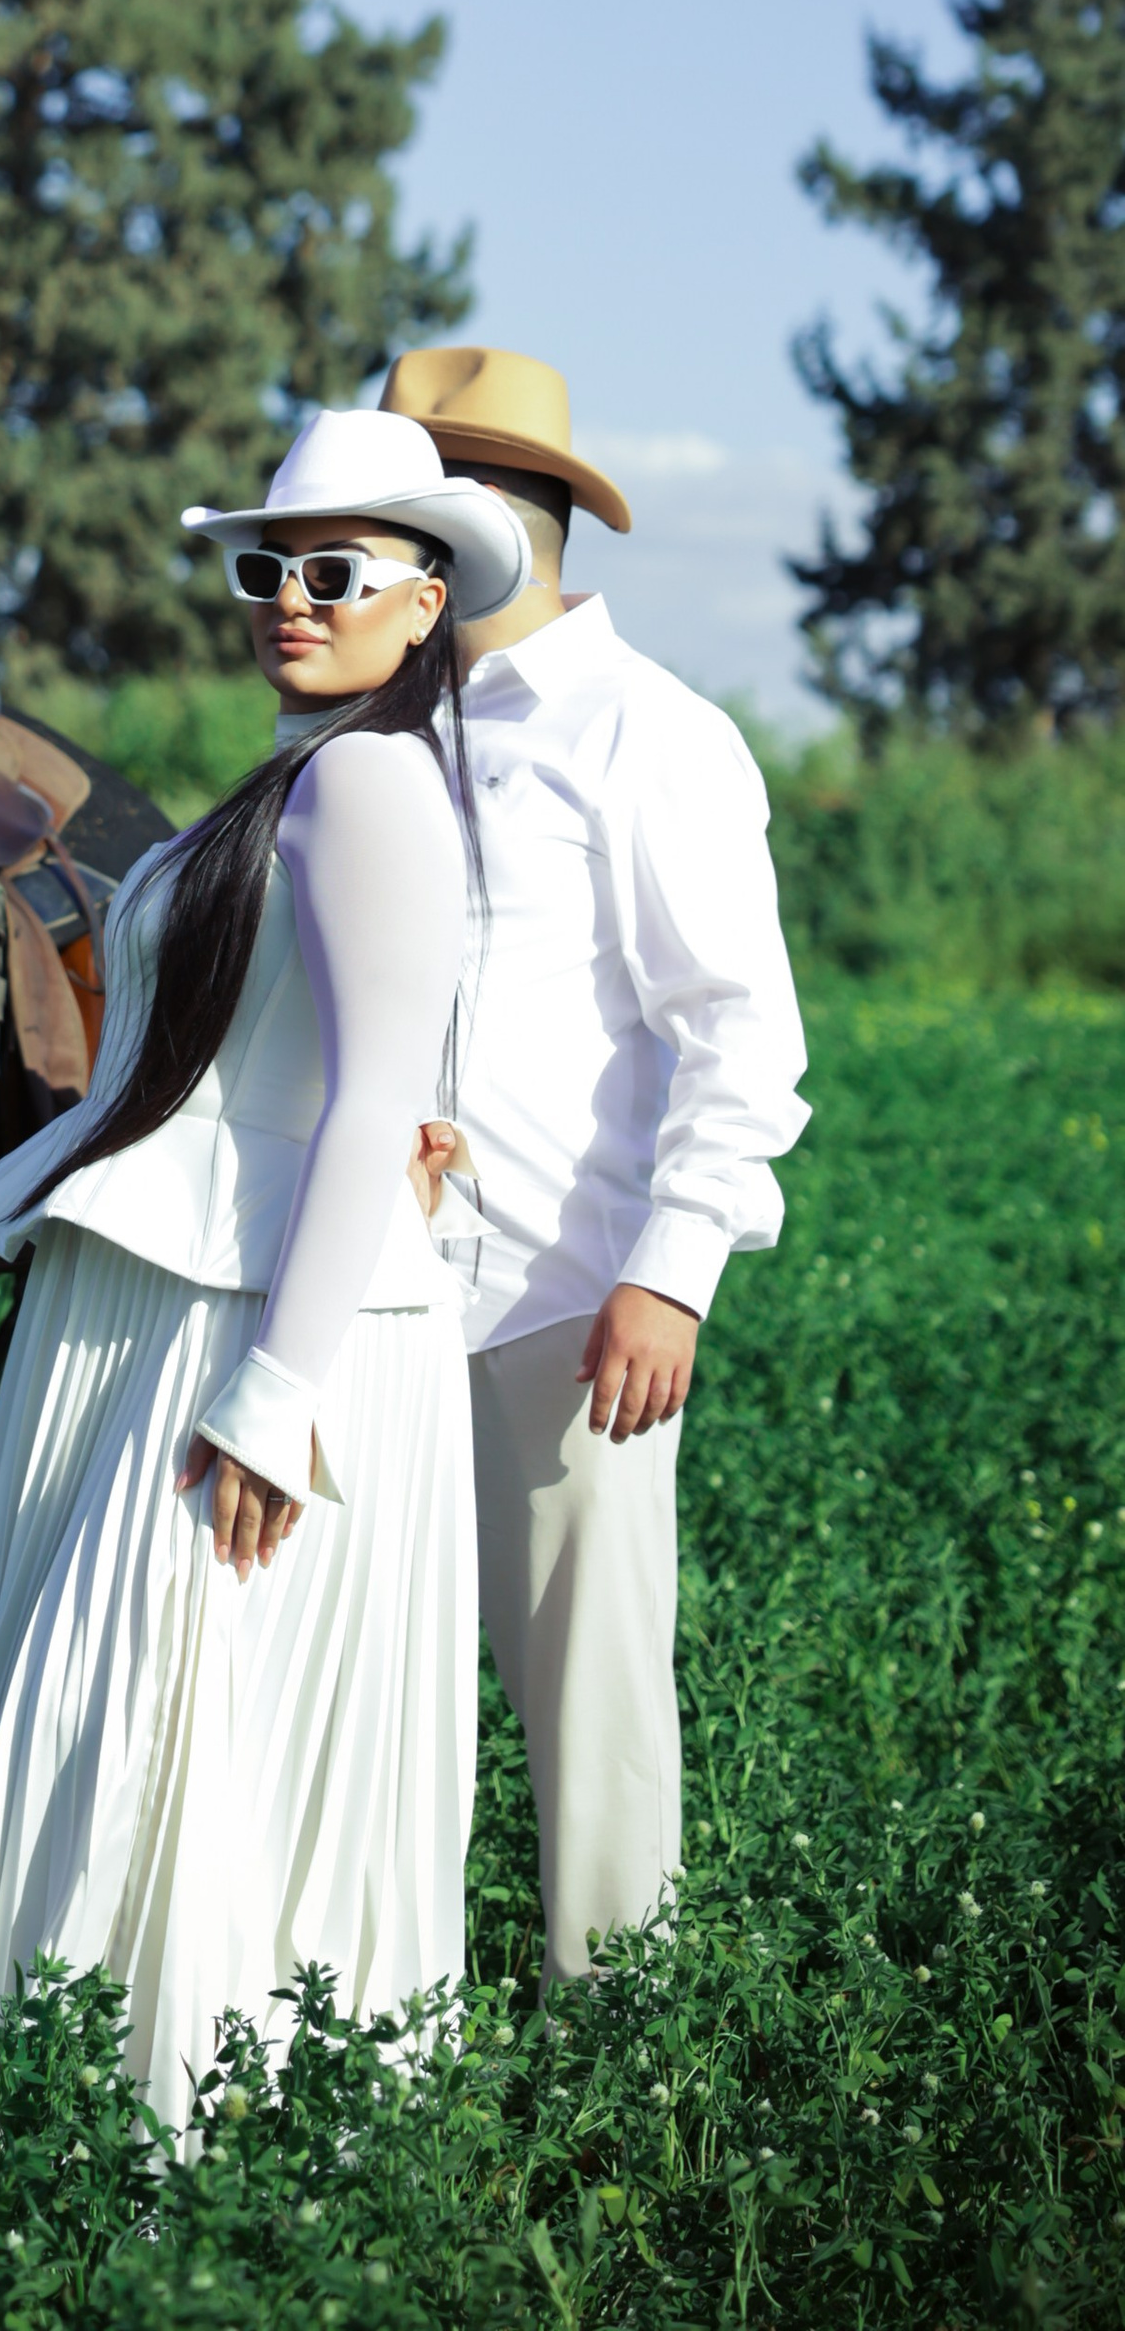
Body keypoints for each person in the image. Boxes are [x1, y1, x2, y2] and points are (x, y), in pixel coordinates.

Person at [0, 406, 534, 2141]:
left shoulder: (369, 779)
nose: (288, 595)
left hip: (248, 1332)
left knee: (150, 1708)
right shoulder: (299, 775)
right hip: (174, 1298)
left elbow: (358, 1106)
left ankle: (155, 2131)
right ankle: (58, 2099)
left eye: (334, 570)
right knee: (105, 1707)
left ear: (424, 601)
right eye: (269, 564)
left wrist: (278, 1400)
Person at [376, 344, 811, 1984]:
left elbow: (737, 1040)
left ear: (487, 521)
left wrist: (667, 1273)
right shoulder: (383, 730)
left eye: (404, 515)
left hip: (568, 1301)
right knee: (375, 1694)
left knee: (592, 1698)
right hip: (380, 1301)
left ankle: (622, 2048)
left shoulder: (654, 735)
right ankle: (376, 2025)